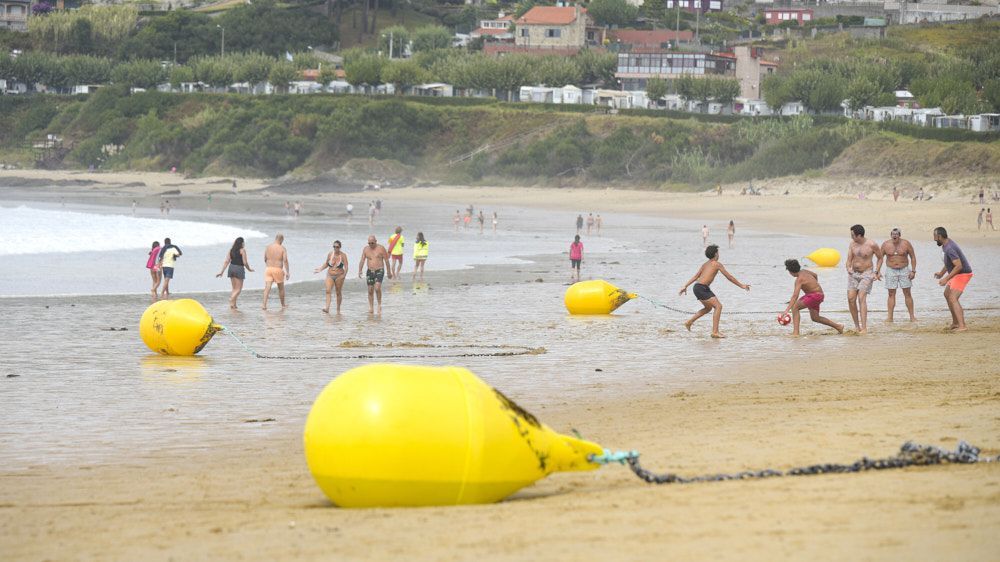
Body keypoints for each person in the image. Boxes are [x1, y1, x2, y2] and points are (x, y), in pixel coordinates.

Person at [679, 244, 750, 338]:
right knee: (718, 306)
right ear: (716, 254)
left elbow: (696, 276)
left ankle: (689, 322)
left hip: (697, 287)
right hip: (702, 288)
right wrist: (741, 285)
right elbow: (729, 277)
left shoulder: (705, 264)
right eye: (718, 252)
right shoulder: (717, 264)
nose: (719, 254)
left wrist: (685, 286)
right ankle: (715, 332)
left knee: (708, 308)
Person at [782, 259, 843, 336]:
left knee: (795, 307)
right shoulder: (804, 271)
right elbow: (815, 275)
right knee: (815, 318)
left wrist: (787, 310)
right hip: (819, 295)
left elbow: (795, 296)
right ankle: (838, 326)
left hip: (814, 296)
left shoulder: (799, 280)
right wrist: (814, 285)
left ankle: (796, 333)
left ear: (790, 272)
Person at [933, 227, 973, 332]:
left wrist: (946, 279)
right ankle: (955, 323)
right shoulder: (946, 244)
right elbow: (950, 262)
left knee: (952, 298)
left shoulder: (949, 248)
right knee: (947, 294)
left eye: (935, 237)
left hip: (963, 274)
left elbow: (958, 266)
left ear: (940, 236)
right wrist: (941, 273)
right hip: (957, 274)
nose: (934, 239)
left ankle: (962, 326)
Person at [846, 224, 883, 334]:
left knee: (861, 297)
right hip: (853, 274)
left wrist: (876, 272)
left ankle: (864, 328)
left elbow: (880, 258)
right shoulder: (852, 244)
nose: (851, 237)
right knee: (851, 299)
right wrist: (848, 268)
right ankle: (857, 327)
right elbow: (849, 259)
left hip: (867, 273)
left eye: (853, 235)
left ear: (859, 235)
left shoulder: (872, 244)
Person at [878, 228, 917, 323]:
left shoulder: (906, 243)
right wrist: (877, 271)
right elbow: (880, 258)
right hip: (891, 270)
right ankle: (890, 318)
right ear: (891, 235)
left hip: (904, 269)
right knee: (891, 293)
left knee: (907, 293)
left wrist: (913, 271)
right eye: (893, 234)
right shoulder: (886, 244)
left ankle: (912, 317)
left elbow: (913, 257)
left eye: (896, 234)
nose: (894, 236)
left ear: (899, 235)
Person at [216, 237, 254, 310]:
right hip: (239, 268)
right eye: (243, 242)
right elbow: (245, 262)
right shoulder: (242, 250)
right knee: (238, 289)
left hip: (231, 268)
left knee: (234, 288)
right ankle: (231, 299)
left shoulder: (231, 250)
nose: (244, 243)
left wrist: (221, 272)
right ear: (241, 243)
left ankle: (233, 305)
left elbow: (226, 261)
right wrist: (249, 269)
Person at [358, 235, 391, 314]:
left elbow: (386, 260)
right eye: (369, 243)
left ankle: (379, 305)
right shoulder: (366, 249)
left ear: (376, 241)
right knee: (370, 290)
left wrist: (389, 272)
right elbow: (362, 260)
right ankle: (371, 307)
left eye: (372, 243)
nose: (371, 245)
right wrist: (360, 270)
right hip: (370, 271)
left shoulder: (381, 248)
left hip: (379, 270)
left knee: (377, 288)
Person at [315, 241, 348, 314]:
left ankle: (338, 309)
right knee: (328, 290)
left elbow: (346, 266)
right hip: (330, 275)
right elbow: (327, 263)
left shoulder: (343, 255)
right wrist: (320, 269)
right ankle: (327, 308)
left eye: (337, 247)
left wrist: (344, 275)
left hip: (339, 276)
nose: (335, 248)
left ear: (340, 247)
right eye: (334, 247)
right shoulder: (330, 254)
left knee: (338, 292)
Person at [262, 234, 289, 310]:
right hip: (278, 269)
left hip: (268, 269)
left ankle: (264, 305)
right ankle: (283, 305)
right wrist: (287, 272)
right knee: (281, 288)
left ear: (275, 238)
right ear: (281, 239)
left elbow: (265, 259)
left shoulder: (268, 247)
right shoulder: (282, 248)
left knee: (267, 287)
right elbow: (285, 260)